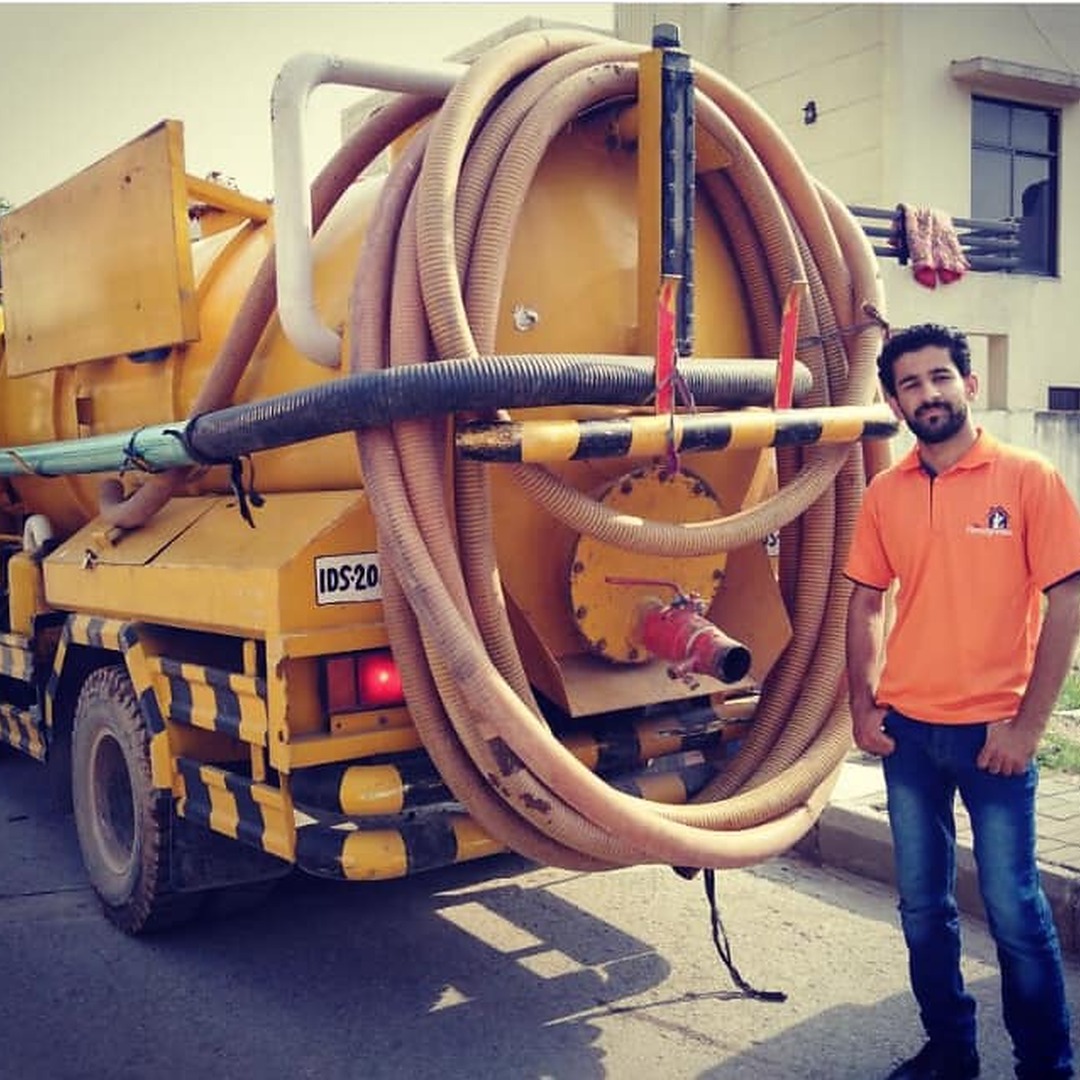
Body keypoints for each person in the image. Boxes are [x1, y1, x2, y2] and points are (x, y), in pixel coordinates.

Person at [845, 323, 1080, 1080]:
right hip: (909, 735)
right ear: (893, 399)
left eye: (940, 377)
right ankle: (951, 1051)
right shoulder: (887, 492)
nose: (928, 393)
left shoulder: (1028, 478)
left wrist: (1027, 727)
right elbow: (865, 603)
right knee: (922, 908)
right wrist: (862, 705)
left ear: (969, 385)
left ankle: (1047, 1066)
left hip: (993, 739)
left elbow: (1068, 601)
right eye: (909, 383)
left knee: (1015, 913)